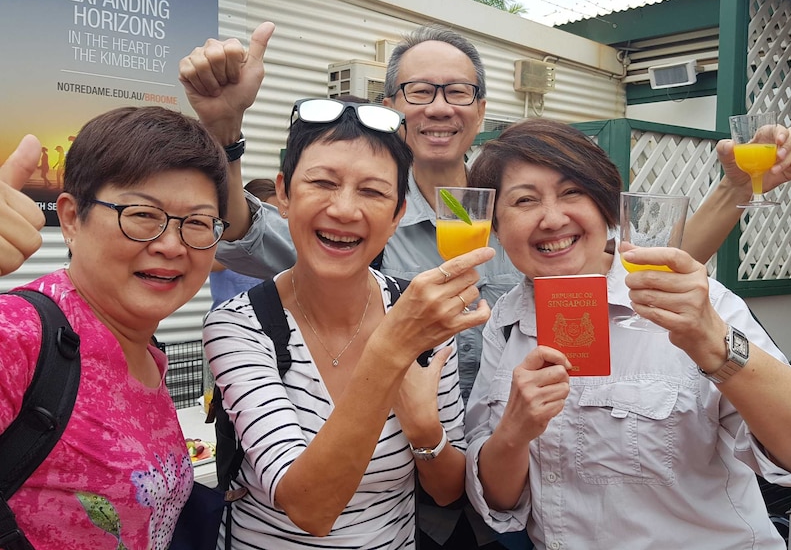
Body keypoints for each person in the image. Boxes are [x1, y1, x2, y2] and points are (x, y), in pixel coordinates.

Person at [179, 21, 791, 550]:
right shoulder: (351, 227)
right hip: (424, 505)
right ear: (392, 104)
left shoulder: (529, 217)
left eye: (457, 91)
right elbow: (240, 225)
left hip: (538, 488)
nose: (438, 106)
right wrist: (223, 134)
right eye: (418, 89)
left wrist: (733, 190)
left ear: (480, 108)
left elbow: (643, 273)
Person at [461, 118, 791, 549]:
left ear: (606, 206)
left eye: (572, 192)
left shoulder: (689, 300)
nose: (553, 218)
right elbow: (501, 502)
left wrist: (714, 342)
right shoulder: (506, 323)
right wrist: (514, 433)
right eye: (524, 200)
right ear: (496, 229)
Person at [202, 97, 494, 549]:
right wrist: (390, 353)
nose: (343, 209)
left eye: (373, 192)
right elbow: (310, 508)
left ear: (398, 214)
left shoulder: (421, 315)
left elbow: (447, 488)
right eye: (322, 182)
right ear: (284, 193)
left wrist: (423, 428)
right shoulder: (240, 325)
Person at [0, 106, 230, 549]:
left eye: (198, 223)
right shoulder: (19, 334)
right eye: (143, 214)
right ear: (70, 218)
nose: (170, 245)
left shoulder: (147, 351)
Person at [208, 178, 278, 309]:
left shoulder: (281, 251)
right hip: (228, 324)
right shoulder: (224, 239)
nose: (274, 223)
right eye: (267, 214)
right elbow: (208, 261)